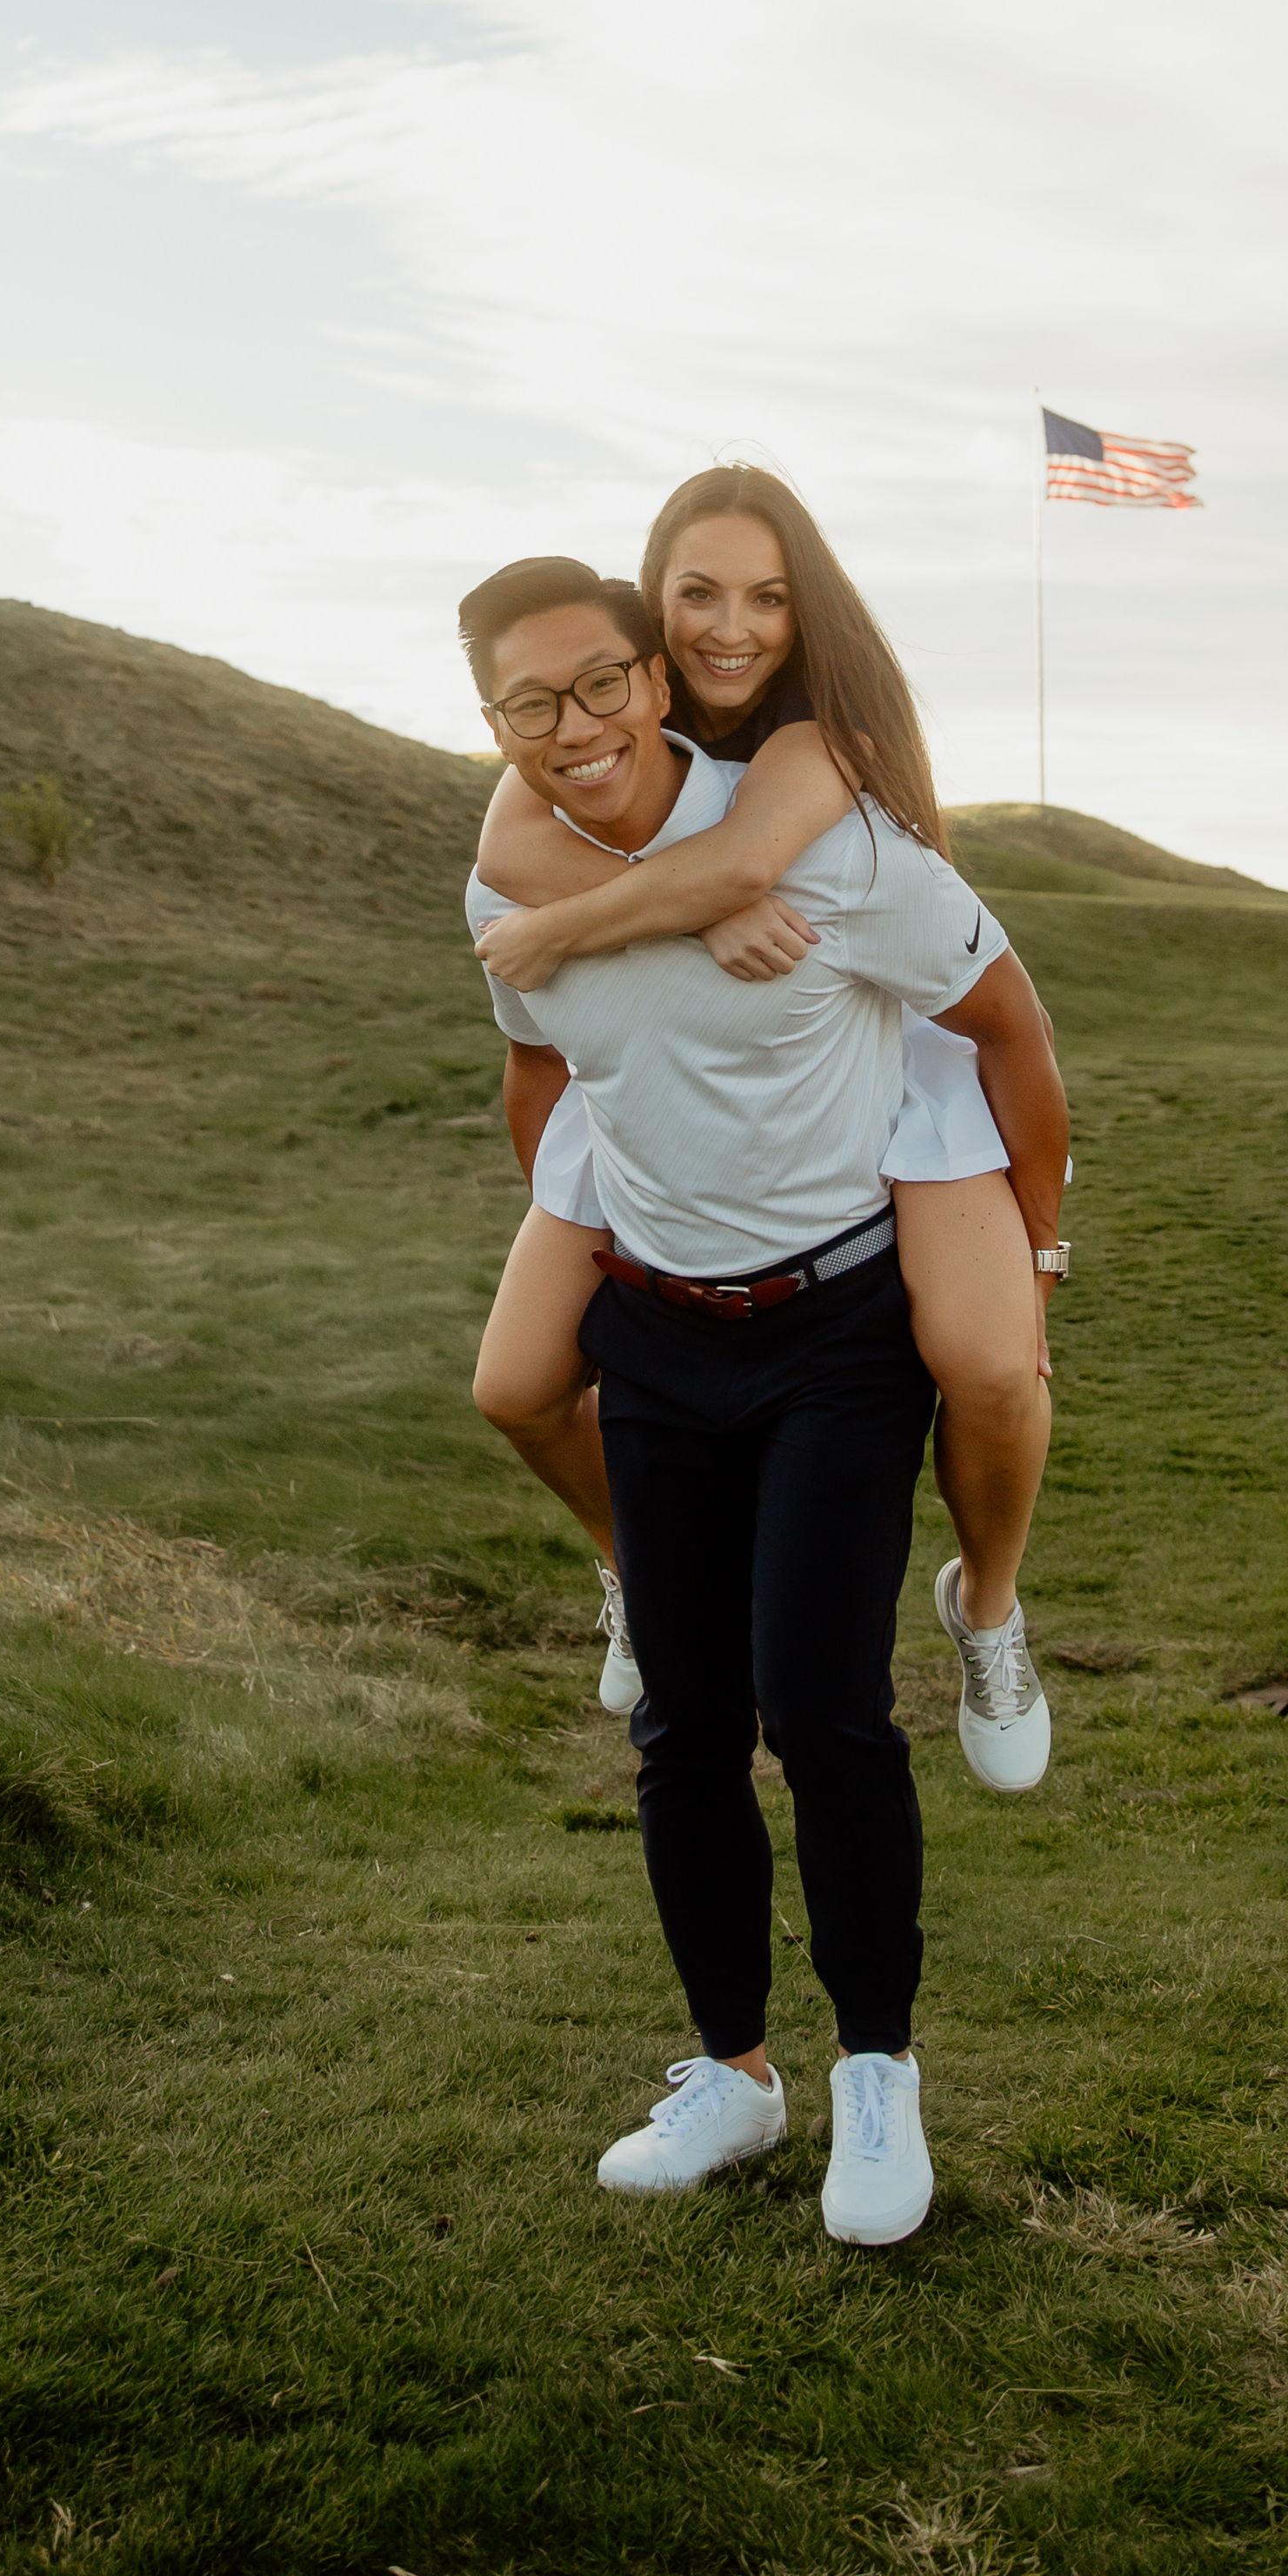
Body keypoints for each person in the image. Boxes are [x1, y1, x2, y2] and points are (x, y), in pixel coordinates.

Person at [456, 552, 1069, 2245]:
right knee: (682, 1730)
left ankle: (878, 2071)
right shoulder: (502, 881)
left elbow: (1006, 1021)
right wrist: (591, 1216)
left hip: (833, 1330)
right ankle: (732, 2073)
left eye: (602, 683)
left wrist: (1039, 1239)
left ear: (659, 677)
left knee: (822, 1707)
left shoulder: (832, 847)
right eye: (529, 703)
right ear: (491, 722)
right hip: (660, 1332)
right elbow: (540, 1060)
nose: (575, 724)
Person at [466, 467, 1059, 1791]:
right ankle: (634, 1569)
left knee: (988, 1363)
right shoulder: (596, 717)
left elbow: (747, 868)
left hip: (869, 1041)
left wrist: (1041, 1245)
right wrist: (687, 910)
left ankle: (988, 1607)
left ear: (807, 613)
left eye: (768, 597)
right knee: (513, 1383)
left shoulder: (820, 739)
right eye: (698, 593)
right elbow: (506, 845)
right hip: (668, 1061)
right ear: (651, 609)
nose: (730, 628)